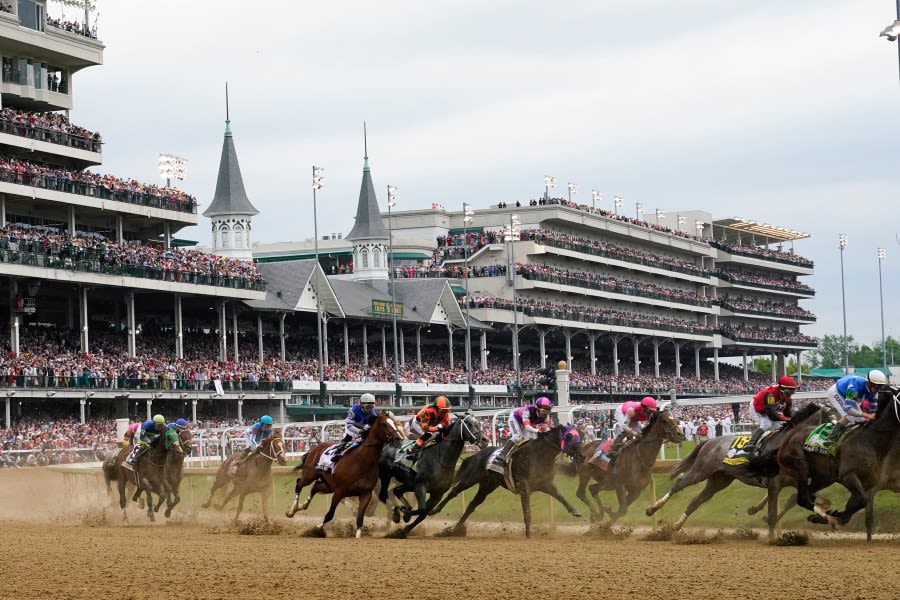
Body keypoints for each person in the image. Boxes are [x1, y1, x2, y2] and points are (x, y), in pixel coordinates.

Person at [488, 396, 554, 473]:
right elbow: (527, 426)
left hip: (525, 423)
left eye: (548, 411)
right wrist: (537, 430)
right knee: (517, 437)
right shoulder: (528, 411)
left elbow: (544, 428)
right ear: (537, 408)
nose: (545, 414)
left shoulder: (546, 417)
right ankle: (501, 456)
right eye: (544, 411)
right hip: (515, 419)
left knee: (531, 439)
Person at [822, 370, 885, 446]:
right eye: (877, 386)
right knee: (850, 416)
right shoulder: (854, 387)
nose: (879, 389)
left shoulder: (875, 394)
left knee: (860, 419)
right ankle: (831, 437)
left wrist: (871, 416)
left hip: (850, 394)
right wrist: (866, 415)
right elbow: (848, 410)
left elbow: (873, 411)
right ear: (870, 383)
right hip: (836, 392)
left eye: (881, 386)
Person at [742, 375, 796, 456]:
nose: (789, 396)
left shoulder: (788, 398)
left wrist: (791, 420)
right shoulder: (770, 394)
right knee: (767, 424)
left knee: (779, 426)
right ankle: (751, 442)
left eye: (792, 393)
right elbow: (772, 414)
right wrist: (785, 418)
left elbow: (787, 414)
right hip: (757, 408)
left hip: (769, 410)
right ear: (781, 389)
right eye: (788, 393)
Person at [606, 396, 658, 462]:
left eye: (651, 411)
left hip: (635, 417)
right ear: (643, 408)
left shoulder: (649, 413)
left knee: (641, 433)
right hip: (622, 412)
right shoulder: (632, 411)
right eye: (649, 411)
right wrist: (635, 433)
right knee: (625, 432)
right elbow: (625, 426)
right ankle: (613, 450)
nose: (650, 413)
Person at [406, 396, 453, 461]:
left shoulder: (445, 413)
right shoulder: (427, 410)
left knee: (439, 434)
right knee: (429, 435)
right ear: (436, 408)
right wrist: (436, 428)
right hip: (416, 424)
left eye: (446, 409)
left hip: (430, 425)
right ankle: (413, 451)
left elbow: (446, 423)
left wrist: (442, 426)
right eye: (443, 410)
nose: (445, 412)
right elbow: (424, 427)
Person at [334, 393, 378, 459]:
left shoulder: (372, 412)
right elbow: (349, 425)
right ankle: (338, 451)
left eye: (371, 407)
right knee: (349, 438)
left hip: (362, 426)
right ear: (361, 405)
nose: (369, 409)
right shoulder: (353, 410)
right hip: (351, 427)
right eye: (367, 407)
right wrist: (359, 431)